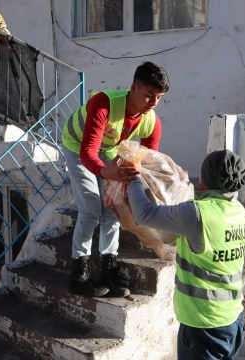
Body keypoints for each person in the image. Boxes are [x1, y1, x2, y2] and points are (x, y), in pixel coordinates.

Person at [127, 149, 245, 360]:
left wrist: (134, 177)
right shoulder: (238, 211)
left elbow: (144, 213)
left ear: (205, 178)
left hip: (204, 326)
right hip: (233, 320)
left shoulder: (197, 214)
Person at [62, 61, 170, 298]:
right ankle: (79, 272)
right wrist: (104, 173)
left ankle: (108, 268)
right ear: (134, 87)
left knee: (113, 207)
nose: (153, 103)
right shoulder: (104, 103)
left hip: (109, 150)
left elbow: (149, 161)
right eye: (149, 95)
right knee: (91, 207)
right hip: (77, 146)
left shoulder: (152, 122)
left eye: (159, 98)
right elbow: (88, 151)